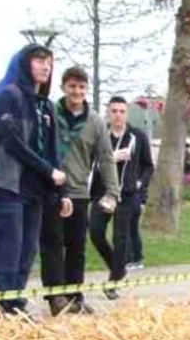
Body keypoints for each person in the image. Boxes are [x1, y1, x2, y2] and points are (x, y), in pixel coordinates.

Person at [0, 44, 70, 317]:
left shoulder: (47, 106)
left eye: (50, 63)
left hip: (35, 191)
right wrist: (47, 169)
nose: (45, 66)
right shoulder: (10, 96)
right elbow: (10, 140)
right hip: (5, 186)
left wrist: (61, 191)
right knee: (7, 249)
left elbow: (53, 151)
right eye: (39, 60)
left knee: (27, 252)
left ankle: (13, 305)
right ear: (25, 63)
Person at [40, 67, 120, 315]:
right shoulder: (49, 112)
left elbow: (106, 158)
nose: (77, 92)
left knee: (76, 247)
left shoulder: (94, 121)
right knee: (52, 244)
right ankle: (55, 297)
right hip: (50, 190)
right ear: (63, 87)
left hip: (78, 192)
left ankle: (74, 297)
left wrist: (112, 192)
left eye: (81, 87)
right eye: (72, 86)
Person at [90, 96, 153, 299]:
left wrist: (139, 185)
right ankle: (118, 268)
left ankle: (113, 282)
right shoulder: (100, 135)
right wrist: (110, 159)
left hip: (126, 196)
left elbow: (148, 166)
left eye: (122, 111)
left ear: (127, 113)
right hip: (104, 193)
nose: (118, 115)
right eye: (114, 111)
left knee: (121, 239)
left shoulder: (137, 136)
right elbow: (90, 164)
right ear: (108, 112)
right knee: (96, 233)